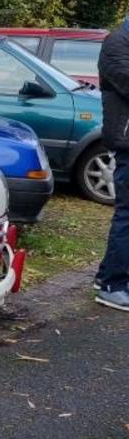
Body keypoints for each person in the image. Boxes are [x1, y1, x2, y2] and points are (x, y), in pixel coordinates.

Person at [95, 16, 129, 309]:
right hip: (126, 141)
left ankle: (107, 275)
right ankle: (112, 285)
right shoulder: (117, 44)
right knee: (127, 215)